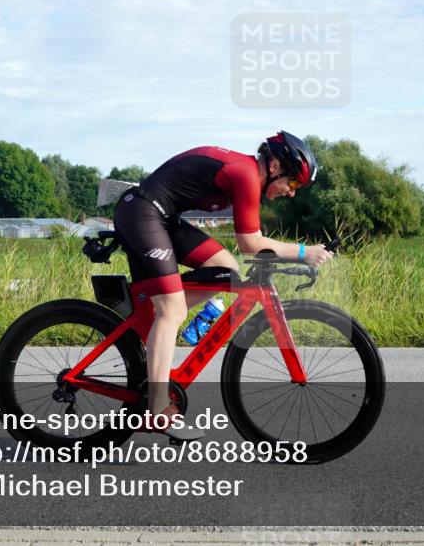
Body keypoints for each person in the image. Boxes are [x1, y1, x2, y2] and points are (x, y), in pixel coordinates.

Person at [113, 131, 334, 440]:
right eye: (293, 182)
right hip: (143, 212)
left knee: (226, 270)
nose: (292, 192)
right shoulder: (245, 174)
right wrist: (302, 252)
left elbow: (245, 248)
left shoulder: (248, 176)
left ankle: (155, 314)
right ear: (273, 166)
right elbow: (250, 243)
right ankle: (158, 410)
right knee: (172, 309)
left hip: (159, 215)